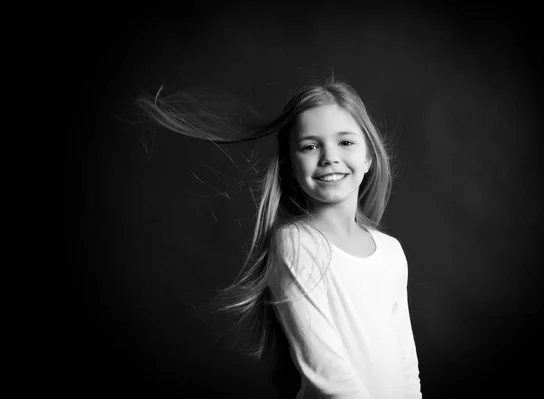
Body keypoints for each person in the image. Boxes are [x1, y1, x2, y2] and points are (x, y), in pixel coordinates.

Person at [137, 77, 422, 398]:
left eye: (345, 142)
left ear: (368, 157)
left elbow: (406, 365)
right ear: (290, 166)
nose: (329, 156)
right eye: (310, 146)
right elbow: (330, 376)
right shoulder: (297, 244)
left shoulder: (391, 251)